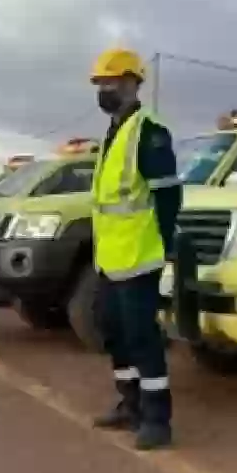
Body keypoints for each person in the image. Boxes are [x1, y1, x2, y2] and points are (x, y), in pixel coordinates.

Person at [88, 47, 182, 451]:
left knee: (143, 337)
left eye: (109, 82)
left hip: (140, 256)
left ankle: (157, 418)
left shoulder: (149, 131)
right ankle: (129, 404)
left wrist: (166, 251)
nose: (103, 89)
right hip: (110, 258)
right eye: (100, 84)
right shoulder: (113, 133)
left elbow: (166, 196)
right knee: (113, 332)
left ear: (131, 83)